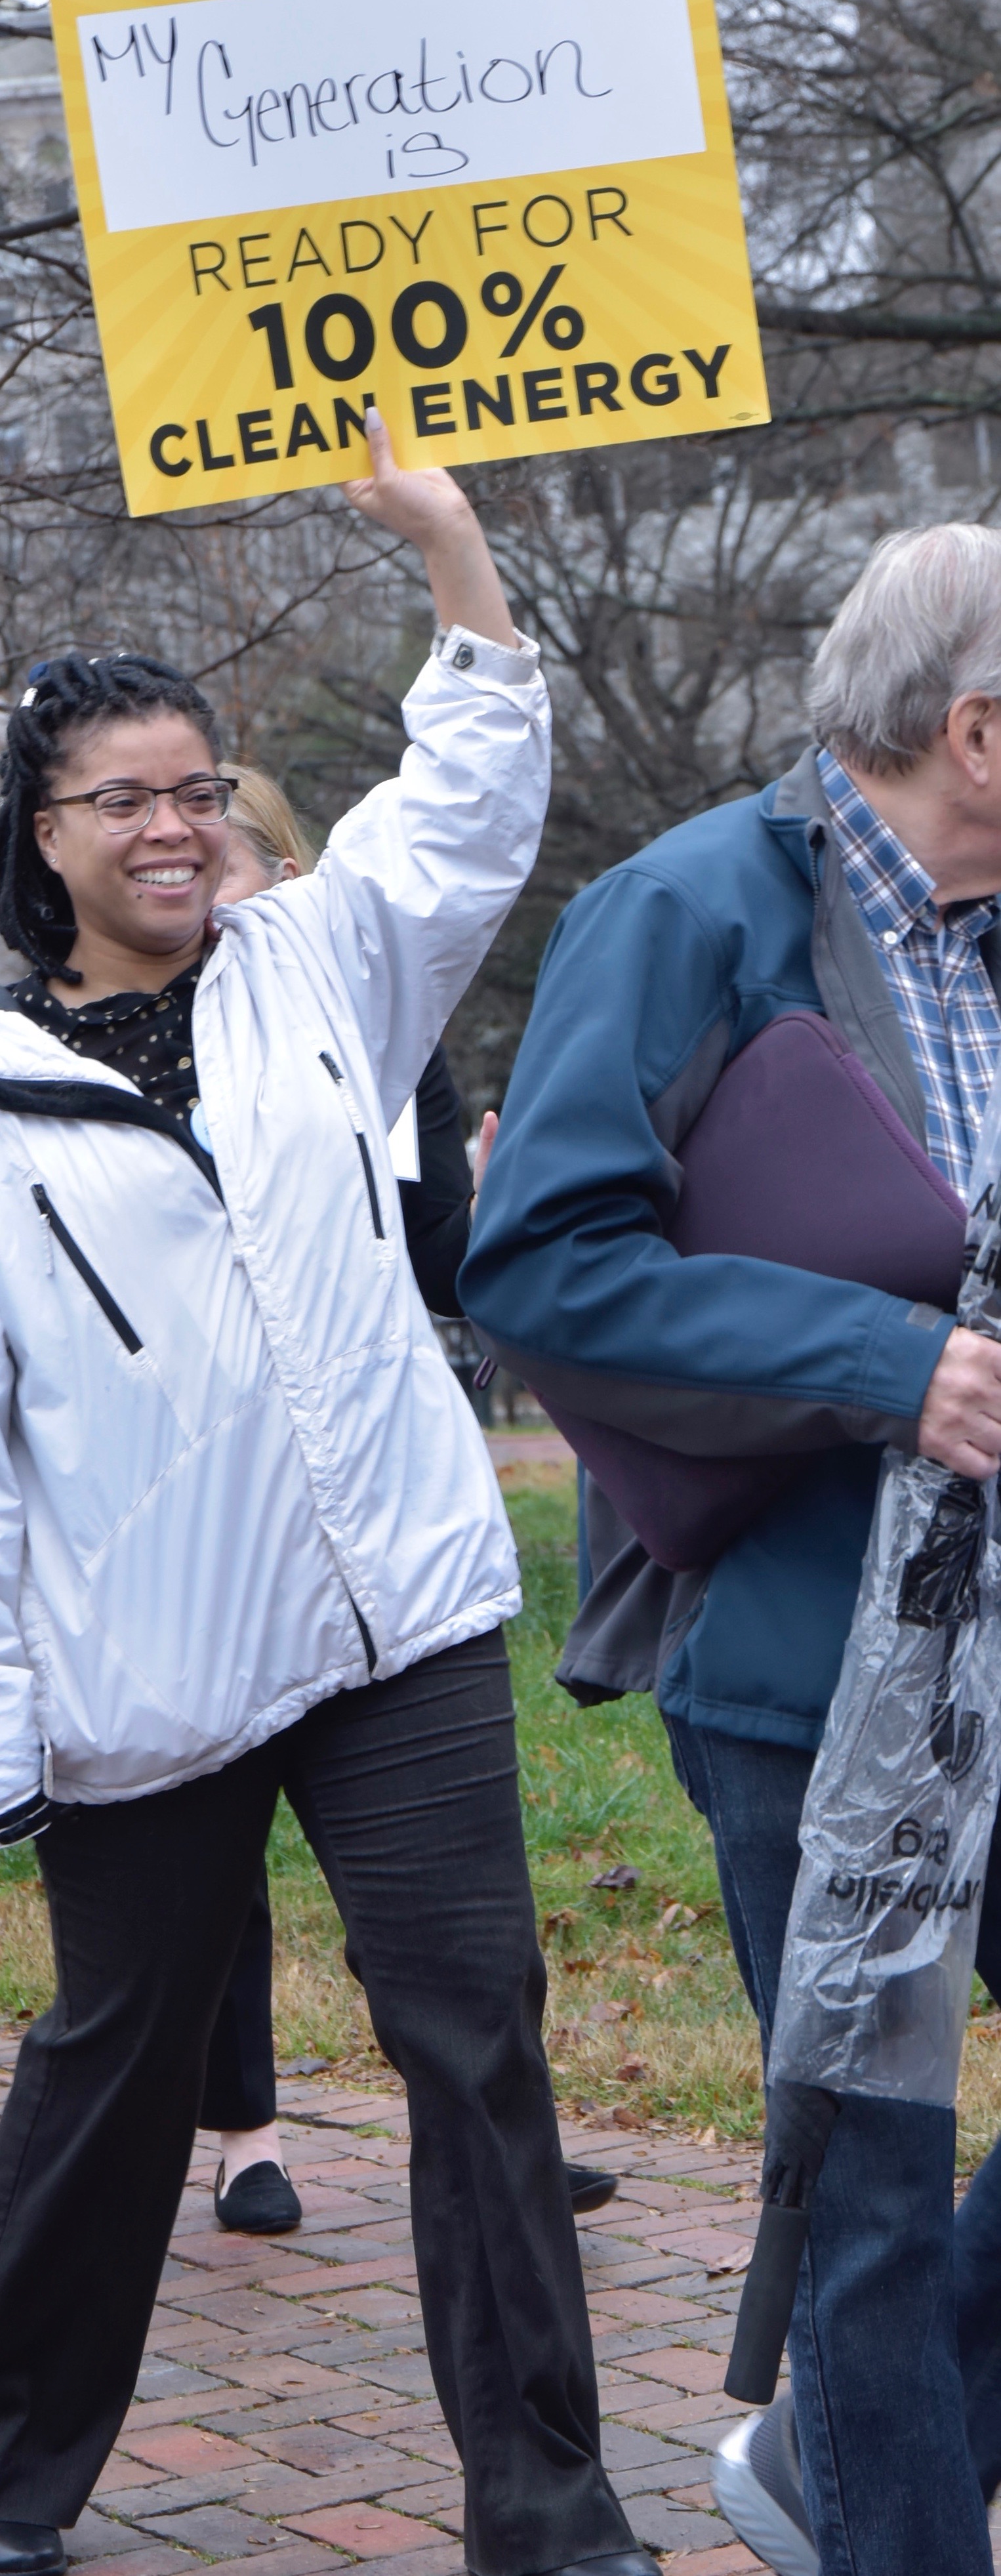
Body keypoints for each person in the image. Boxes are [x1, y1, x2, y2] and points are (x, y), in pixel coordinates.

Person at [0, 409, 656, 2576]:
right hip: (151, 1675)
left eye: (200, 789)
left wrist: (452, 548)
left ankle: (549, 2506)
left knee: (473, 2041)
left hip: (395, 1619)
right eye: (126, 799)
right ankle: (7, 2479)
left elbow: (472, 807)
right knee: (116, 2065)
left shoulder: (324, 975)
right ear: (39, 843)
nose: (181, 827)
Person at [462, 522, 1001, 2576]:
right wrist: (890, 1365)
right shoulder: (682, 907)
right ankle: (885, 2511)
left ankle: (840, 2460)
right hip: (804, 1665)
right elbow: (536, 1264)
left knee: (880, 2250)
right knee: (863, 2192)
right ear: (969, 728)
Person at [202, 770, 614, 2235]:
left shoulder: (381, 1022)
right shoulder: (104, 1041)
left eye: (240, 869)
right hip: (204, 1530)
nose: (211, 902)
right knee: (197, 1876)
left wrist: (504, 1213)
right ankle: (242, 2129)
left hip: (385, 1518)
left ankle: (496, 2120)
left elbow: (441, 1246)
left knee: (447, 1890)